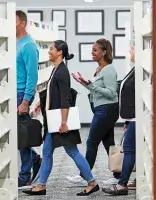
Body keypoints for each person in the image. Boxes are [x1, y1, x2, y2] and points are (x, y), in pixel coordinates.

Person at [22, 40, 99, 196]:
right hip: (54, 120)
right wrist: (40, 105)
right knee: (47, 152)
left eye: (51, 49)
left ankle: (92, 182)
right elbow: (52, 93)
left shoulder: (62, 72)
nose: (49, 52)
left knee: (72, 152)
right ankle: (41, 185)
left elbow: (65, 99)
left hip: (60, 121)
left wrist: (64, 122)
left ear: (60, 52)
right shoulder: (56, 69)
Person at [68, 38, 120, 185]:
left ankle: (84, 175)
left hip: (106, 110)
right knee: (109, 143)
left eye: (95, 50)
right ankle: (118, 175)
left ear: (104, 52)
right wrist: (83, 83)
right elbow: (96, 90)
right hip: (102, 109)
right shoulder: (99, 69)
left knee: (92, 142)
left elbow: (111, 93)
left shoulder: (109, 69)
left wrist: (91, 85)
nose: (92, 53)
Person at [102, 46, 137, 195]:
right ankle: (133, 181)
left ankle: (122, 185)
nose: (130, 51)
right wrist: (128, 119)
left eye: (132, 49)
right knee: (133, 150)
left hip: (138, 118)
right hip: (133, 118)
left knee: (129, 149)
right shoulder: (136, 69)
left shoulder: (141, 70)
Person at [16, 10, 42, 187]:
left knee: (22, 137)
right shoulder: (15, 42)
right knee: (19, 136)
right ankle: (34, 158)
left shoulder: (28, 46)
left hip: (21, 94)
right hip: (13, 94)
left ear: (22, 23)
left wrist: (26, 101)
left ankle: (25, 175)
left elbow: (32, 76)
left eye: (14, 21)